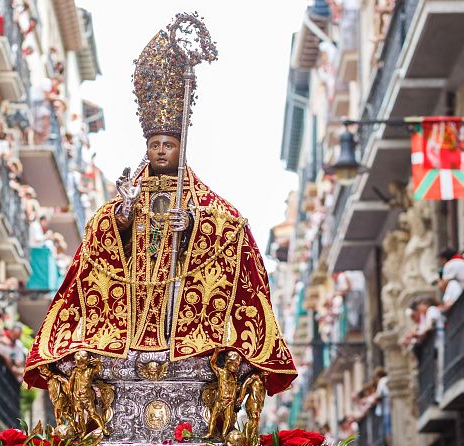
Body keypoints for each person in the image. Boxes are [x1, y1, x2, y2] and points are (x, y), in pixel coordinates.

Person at [23, 20, 296, 403]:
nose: (162, 151)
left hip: (176, 302)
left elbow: (232, 226)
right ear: (146, 148)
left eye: (168, 144)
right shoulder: (128, 196)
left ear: (179, 148)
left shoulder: (199, 198)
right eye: (155, 145)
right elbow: (99, 237)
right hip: (132, 303)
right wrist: (123, 215)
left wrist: (195, 223)